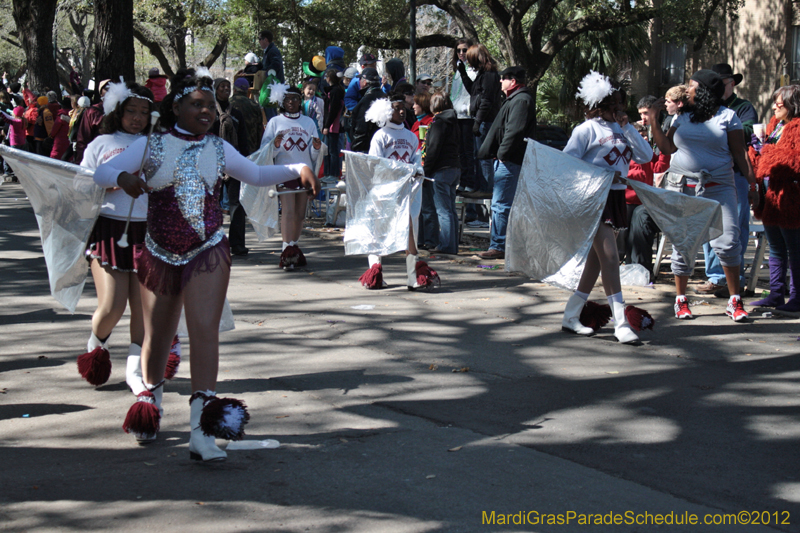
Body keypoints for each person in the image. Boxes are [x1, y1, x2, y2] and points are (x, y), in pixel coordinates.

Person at [93, 68, 320, 461]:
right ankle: (152, 399)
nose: (206, 111)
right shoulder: (151, 144)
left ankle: (202, 432)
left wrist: (296, 169)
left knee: (205, 332)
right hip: (159, 251)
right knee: (157, 339)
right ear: (175, 106)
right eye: (196, 105)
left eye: (210, 106)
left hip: (209, 248)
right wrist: (123, 177)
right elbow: (101, 172)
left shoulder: (218, 148)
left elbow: (256, 173)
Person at [647, 69, 757, 322]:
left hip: (719, 187)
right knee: (683, 244)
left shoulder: (728, 117)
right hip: (683, 187)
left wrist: (753, 186)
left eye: (692, 86)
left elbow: (740, 154)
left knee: (729, 243)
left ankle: (734, 300)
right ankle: (681, 299)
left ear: (705, 91)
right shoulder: (682, 117)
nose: (687, 89)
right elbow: (667, 148)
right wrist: (654, 118)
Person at [74, 81, 157, 395]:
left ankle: (135, 372)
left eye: (143, 112)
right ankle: (96, 346)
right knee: (112, 306)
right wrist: (111, 183)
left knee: (143, 309)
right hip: (109, 230)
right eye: (131, 111)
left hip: (148, 232)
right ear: (118, 111)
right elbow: (82, 184)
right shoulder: (101, 144)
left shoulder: (158, 143)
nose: (137, 117)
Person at [559, 71, 653, 344]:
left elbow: (646, 156)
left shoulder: (623, 128)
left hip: (616, 198)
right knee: (611, 259)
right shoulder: (586, 130)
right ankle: (621, 323)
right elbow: (567, 165)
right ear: (601, 104)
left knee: (597, 263)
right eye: (614, 105)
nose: (619, 110)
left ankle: (571, 315)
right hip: (592, 199)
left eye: (621, 105)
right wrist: (600, 177)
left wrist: (629, 128)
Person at [695, 63, 759, 297]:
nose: (719, 88)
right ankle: (715, 276)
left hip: (735, 175)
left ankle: (735, 279)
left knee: (734, 228)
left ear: (732, 83)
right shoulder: (704, 108)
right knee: (709, 226)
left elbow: (748, 131)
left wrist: (719, 130)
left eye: (722, 83)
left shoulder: (742, 108)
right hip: (708, 175)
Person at [361, 93, 438, 290]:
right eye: (396, 108)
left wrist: (417, 169)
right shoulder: (380, 136)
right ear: (386, 110)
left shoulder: (411, 136)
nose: (402, 111)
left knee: (410, 229)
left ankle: (413, 276)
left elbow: (415, 157)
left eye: (403, 107)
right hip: (385, 192)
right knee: (379, 230)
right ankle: (375, 271)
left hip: (406, 192)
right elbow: (375, 163)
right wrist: (397, 171)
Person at [748, 85, 800, 312]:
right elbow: (762, 159)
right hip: (770, 196)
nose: (776, 105)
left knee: (795, 248)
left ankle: (797, 297)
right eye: (776, 101)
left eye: (781, 102)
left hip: (791, 197)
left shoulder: (798, 128)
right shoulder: (775, 125)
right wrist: (754, 150)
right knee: (776, 247)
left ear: (793, 104)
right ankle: (776, 294)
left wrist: (767, 151)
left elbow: (795, 161)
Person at [476, 66, 536, 260]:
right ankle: (502, 244)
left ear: (514, 81)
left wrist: (502, 154)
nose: (500, 82)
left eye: (504, 78)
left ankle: (499, 245)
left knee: (501, 204)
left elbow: (514, 131)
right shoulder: (516, 99)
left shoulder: (521, 100)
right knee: (501, 204)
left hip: (510, 161)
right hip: (507, 160)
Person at [261, 85, 322, 269]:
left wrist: (316, 147)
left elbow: (313, 154)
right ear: (282, 102)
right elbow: (265, 150)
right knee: (287, 210)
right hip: (284, 171)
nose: (291, 102)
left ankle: (294, 246)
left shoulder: (309, 123)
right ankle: (286, 248)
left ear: (300, 101)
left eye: (295, 99)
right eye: (287, 99)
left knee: (300, 213)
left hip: (303, 172)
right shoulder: (275, 122)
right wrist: (276, 145)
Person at [624, 122, 670, 276]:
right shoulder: (624, 153)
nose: (643, 139)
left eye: (644, 136)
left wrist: (664, 150)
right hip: (625, 202)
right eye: (639, 136)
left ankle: (639, 269)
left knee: (638, 235)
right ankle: (624, 266)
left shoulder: (648, 154)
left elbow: (660, 167)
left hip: (643, 202)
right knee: (624, 240)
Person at [212, 77, 251, 256]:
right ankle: (211, 242)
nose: (225, 89)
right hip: (212, 163)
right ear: (215, 89)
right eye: (222, 86)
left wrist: (244, 160)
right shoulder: (209, 112)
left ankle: (237, 244)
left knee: (236, 203)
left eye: (228, 86)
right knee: (212, 203)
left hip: (234, 162)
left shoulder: (236, 113)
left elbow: (243, 138)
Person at [457, 44, 501, 196]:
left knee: (483, 156)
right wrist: (463, 74)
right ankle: (480, 186)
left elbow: (486, 101)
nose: (468, 62)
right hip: (480, 119)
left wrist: (478, 122)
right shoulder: (483, 74)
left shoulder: (489, 75)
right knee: (478, 156)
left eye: (470, 59)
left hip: (485, 120)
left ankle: (485, 189)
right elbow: (474, 93)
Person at [424, 91, 461, 254]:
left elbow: (433, 149)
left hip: (441, 169)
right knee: (451, 209)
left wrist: (426, 170)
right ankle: (452, 244)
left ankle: (446, 245)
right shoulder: (454, 122)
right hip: (454, 167)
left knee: (443, 210)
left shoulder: (438, 123)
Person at [449, 39, 479, 199]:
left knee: (468, 152)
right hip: (457, 116)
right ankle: (463, 181)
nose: (461, 53)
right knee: (461, 152)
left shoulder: (474, 70)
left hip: (468, 116)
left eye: (464, 50)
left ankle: (470, 182)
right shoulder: (457, 71)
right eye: (458, 50)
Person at [411, 91, 437, 250]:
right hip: (415, 167)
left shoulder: (429, 122)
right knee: (418, 206)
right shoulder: (416, 122)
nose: (413, 106)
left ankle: (430, 239)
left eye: (416, 104)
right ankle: (418, 238)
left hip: (424, 168)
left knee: (427, 206)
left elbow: (425, 146)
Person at [350, 68, 386, 153]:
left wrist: (357, 150)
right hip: (383, 148)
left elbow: (360, 130)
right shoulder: (386, 97)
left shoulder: (366, 101)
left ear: (365, 82)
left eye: (360, 79)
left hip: (366, 150)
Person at [75, 78, 111, 163]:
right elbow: (83, 139)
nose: (110, 91)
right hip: (96, 160)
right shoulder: (92, 112)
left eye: (113, 88)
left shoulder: (125, 111)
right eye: (107, 89)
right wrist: (80, 163)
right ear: (101, 93)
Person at [322, 69, 344, 179]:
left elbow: (333, 110)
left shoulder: (335, 92)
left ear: (329, 78)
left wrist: (326, 125)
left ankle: (333, 173)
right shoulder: (333, 90)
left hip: (333, 127)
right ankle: (327, 173)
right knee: (327, 150)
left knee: (332, 151)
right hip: (330, 125)